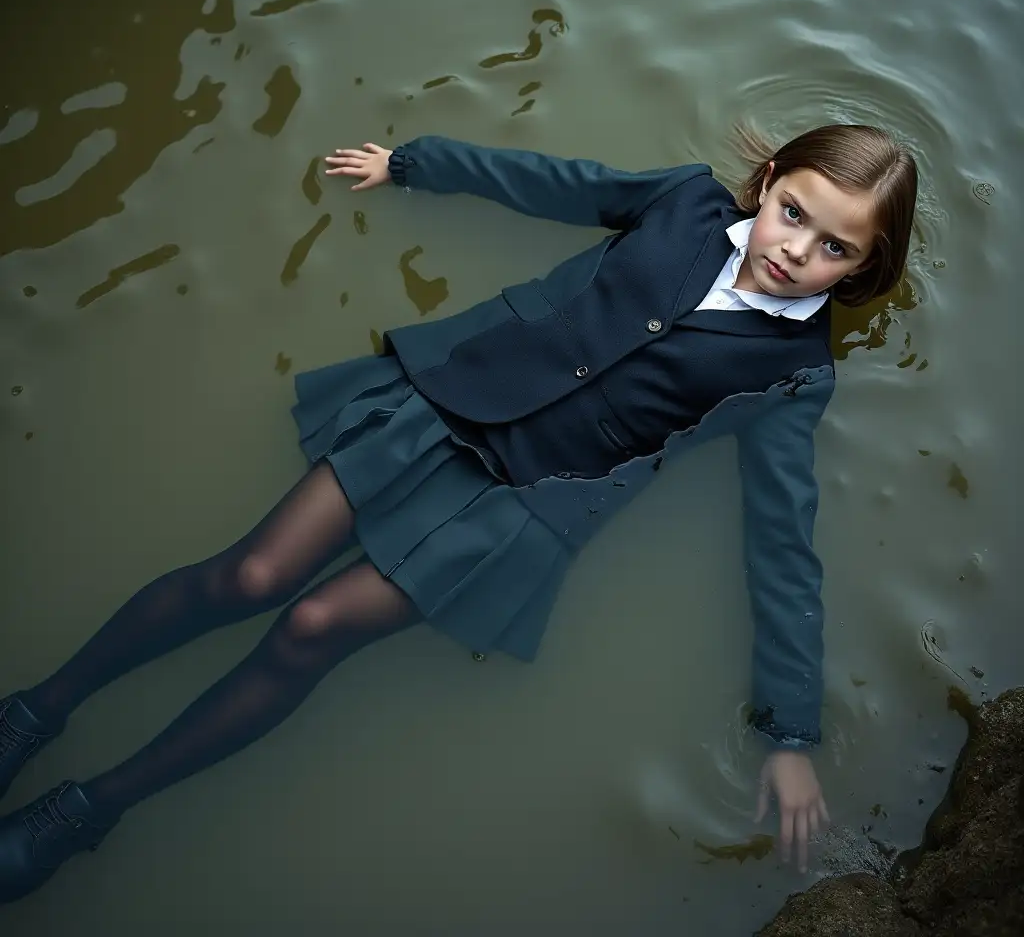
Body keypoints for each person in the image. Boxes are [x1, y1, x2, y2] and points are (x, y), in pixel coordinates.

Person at [0, 125, 917, 902]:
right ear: (767, 182)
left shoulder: (794, 375)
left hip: (523, 508)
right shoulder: (684, 200)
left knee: (310, 627)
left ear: (865, 270)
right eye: (794, 212)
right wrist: (414, 163)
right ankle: (34, 713)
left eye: (834, 247)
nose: (795, 250)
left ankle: (89, 809)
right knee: (252, 575)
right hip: (447, 400)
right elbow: (559, 185)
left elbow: (782, 542)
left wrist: (791, 733)